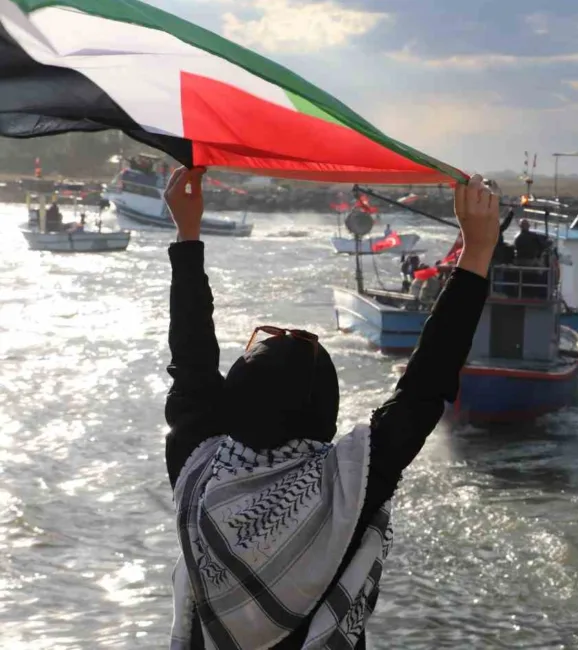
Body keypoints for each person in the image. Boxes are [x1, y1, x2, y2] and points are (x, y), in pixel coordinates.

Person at [162, 166, 499, 649]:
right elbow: (424, 387)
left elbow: (191, 363)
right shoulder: (349, 488)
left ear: (232, 399)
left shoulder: (197, 473)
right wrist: (479, 251)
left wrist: (187, 234)